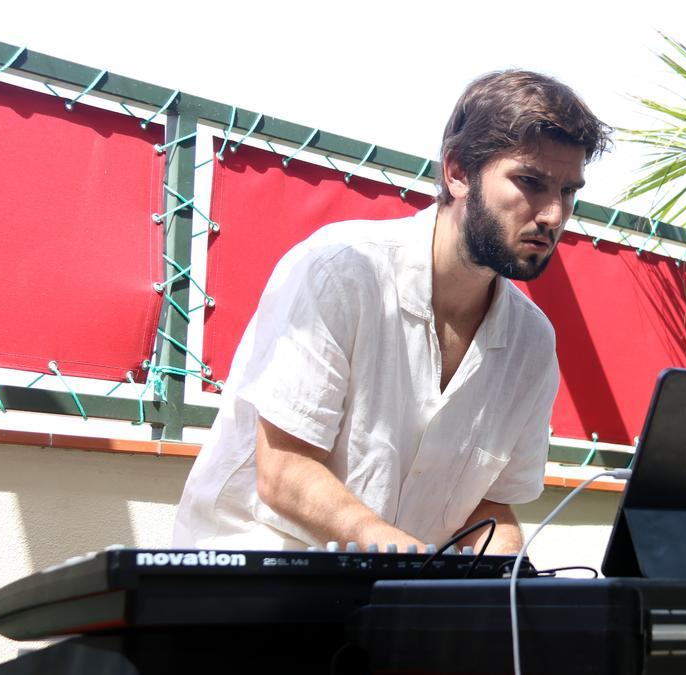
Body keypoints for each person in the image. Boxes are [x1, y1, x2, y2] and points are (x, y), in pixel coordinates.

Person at [172, 70, 611, 554]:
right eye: (531, 182)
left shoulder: (532, 342)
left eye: (569, 191)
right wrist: (405, 561)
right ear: (459, 171)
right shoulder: (341, 271)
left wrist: (505, 579)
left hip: (387, 602)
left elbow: (490, 505)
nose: (553, 214)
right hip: (246, 585)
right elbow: (283, 470)